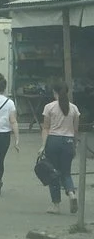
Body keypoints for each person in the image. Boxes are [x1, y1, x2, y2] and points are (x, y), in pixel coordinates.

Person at [40, 83, 80, 214]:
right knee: (66, 172)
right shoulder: (74, 109)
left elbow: (46, 128)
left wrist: (43, 145)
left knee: (53, 173)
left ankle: (56, 205)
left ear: (54, 92)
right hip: (68, 141)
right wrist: (74, 145)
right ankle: (71, 193)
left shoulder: (49, 107)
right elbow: (75, 130)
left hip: (53, 141)